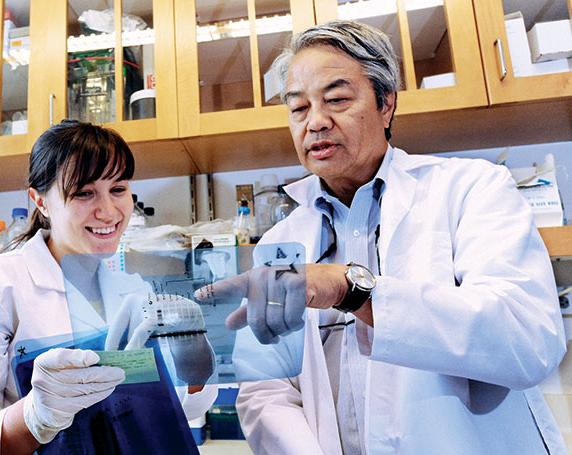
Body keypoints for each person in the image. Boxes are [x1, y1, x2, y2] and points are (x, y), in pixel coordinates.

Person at [195, 20, 567, 454]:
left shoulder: (472, 190)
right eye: (298, 109)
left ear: (385, 104)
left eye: (336, 99)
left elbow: (527, 342)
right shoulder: (281, 240)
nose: (315, 122)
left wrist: (351, 289)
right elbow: (268, 390)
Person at [0, 120, 216, 455]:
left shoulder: (134, 292)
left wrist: (192, 351)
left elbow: (181, 409)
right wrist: (34, 417)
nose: (109, 212)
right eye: (84, 193)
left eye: (118, 189)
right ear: (40, 201)